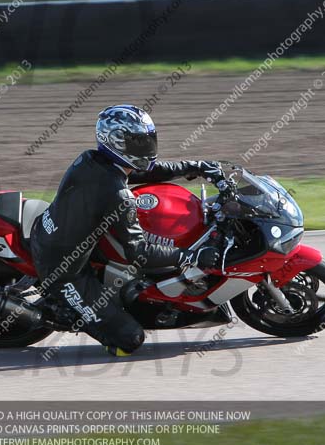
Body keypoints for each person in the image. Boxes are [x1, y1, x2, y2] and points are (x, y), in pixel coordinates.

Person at [29, 104, 230, 356]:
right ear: (116, 143)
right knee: (130, 340)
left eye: (147, 140)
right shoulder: (117, 194)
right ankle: (60, 307)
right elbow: (138, 252)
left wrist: (196, 166)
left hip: (63, 235)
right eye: (137, 142)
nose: (146, 148)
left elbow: (148, 171)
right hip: (63, 268)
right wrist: (190, 256)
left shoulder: (92, 159)